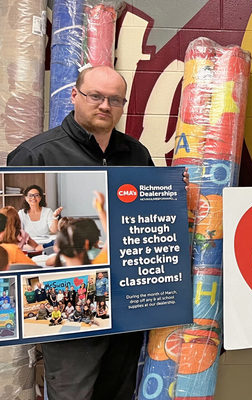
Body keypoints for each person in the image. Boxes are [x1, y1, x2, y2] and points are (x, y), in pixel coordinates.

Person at [6, 65, 154, 400]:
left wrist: (171, 195)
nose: (105, 105)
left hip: (126, 303)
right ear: (75, 96)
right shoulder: (36, 154)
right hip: (70, 311)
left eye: (115, 99)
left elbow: (148, 218)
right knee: (73, 393)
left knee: (118, 392)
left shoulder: (137, 154)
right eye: (96, 96)